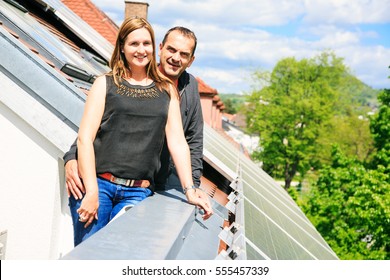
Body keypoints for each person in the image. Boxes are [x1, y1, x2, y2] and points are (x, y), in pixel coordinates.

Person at [66, 17, 212, 246]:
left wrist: (190, 189)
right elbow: (87, 137)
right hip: (99, 185)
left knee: (122, 254)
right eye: (134, 44)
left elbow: (182, 142)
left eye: (146, 44)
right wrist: (79, 172)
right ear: (122, 47)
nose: (141, 50)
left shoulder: (170, 90)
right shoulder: (104, 83)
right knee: (90, 258)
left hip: (140, 190)